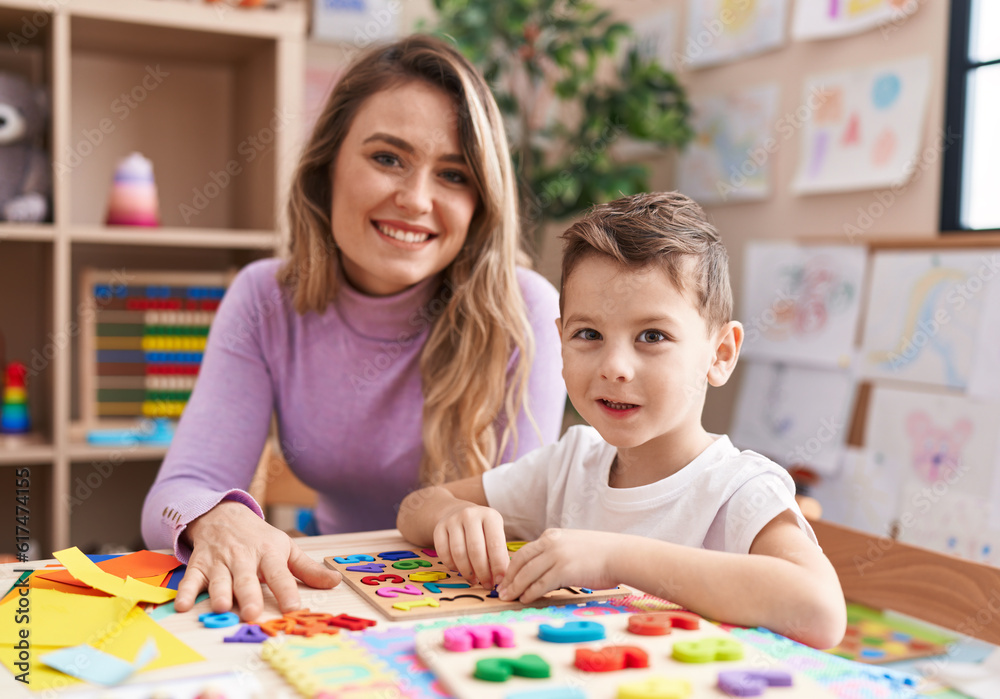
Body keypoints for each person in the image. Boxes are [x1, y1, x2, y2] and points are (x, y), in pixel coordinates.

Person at [142, 35, 567, 622]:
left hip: (467, 605)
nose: (416, 200)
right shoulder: (265, 297)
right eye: (387, 158)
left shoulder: (527, 311)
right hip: (329, 584)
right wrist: (216, 516)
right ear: (328, 166)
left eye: (452, 174)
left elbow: (528, 525)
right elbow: (177, 492)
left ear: (480, 203)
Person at [397, 191, 847, 649]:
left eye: (652, 336)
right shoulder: (569, 464)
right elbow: (414, 510)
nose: (615, 366)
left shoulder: (738, 489)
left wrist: (614, 557)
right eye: (588, 334)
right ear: (561, 342)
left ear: (720, 354)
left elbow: (820, 611)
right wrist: (454, 515)